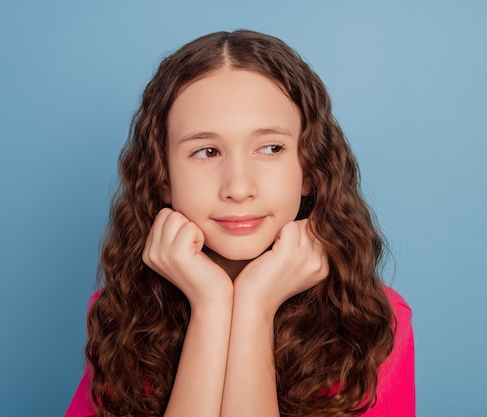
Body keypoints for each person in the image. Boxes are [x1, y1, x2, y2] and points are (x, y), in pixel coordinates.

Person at [65, 30, 414, 417]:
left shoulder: (373, 323)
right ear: (163, 178)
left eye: (270, 148)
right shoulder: (122, 316)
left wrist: (254, 306)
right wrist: (211, 305)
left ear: (310, 170)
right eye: (207, 151)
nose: (238, 187)